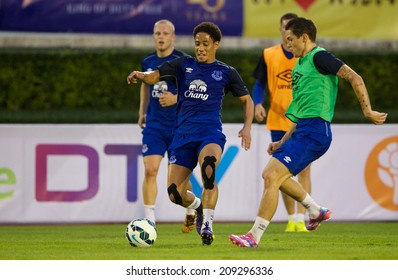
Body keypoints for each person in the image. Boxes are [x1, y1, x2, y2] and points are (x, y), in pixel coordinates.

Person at [229, 17, 387, 248]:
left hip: (316, 131)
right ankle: (315, 210)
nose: (288, 44)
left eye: (291, 40)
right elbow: (302, 111)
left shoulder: (320, 57)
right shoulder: (300, 64)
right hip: (303, 129)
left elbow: (355, 77)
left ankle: (254, 236)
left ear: (305, 38)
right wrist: (283, 140)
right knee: (275, 177)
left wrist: (367, 110)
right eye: (286, 40)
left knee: (271, 176)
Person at [128, 21, 254, 245]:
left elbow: (247, 100)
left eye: (206, 44)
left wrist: (247, 127)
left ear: (216, 44)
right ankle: (197, 206)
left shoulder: (226, 72)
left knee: (208, 169)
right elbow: (155, 75)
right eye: (197, 44)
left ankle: (207, 225)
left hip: (209, 133)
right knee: (175, 194)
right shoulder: (183, 65)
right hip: (182, 135)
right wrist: (141, 75)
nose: (201, 48)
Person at [252, 13, 310, 233]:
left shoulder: (305, 55)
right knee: (283, 171)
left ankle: (303, 218)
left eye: (291, 27)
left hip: (302, 120)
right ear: (280, 29)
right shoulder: (269, 54)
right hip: (278, 119)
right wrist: (258, 103)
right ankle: (293, 217)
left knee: (304, 169)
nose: (288, 31)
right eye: (285, 27)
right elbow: (259, 84)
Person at [136, 19, 195, 233]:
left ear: (173, 37)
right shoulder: (147, 61)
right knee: (150, 170)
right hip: (155, 125)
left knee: (178, 181)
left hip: (179, 126)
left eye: (165, 33)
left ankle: (191, 208)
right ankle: (149, 221)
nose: (161, 37)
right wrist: (142, 111)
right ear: (153, 36)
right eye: (157, 33)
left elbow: (193, 93)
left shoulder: (183, 61)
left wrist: (175, 98)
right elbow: (145, 85)